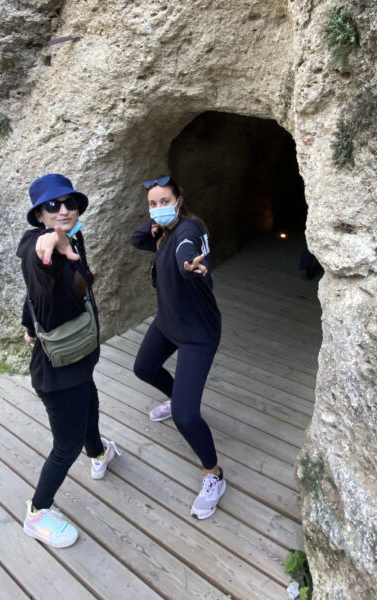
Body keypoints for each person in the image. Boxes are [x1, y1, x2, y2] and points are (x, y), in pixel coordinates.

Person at [17, 173, 120, 548]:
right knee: (65, 445)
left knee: (90, 403)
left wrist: (29, 324)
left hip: (79, 359)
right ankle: (38, 510)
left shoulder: (74, 239)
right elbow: (40, 267)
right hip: (58, 374)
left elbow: (34, 296)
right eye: (52, 206)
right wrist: (52, 246)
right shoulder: (40, 246)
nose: (63, 210)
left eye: (69, 203)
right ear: (39, 216)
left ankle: (98, 451)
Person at [130, 175, 225, 519]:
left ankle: (213, 474)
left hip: (199, 332)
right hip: (168, 322)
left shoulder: (189, 230)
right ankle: (175, 398)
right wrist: (154, 227)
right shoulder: (163, 232)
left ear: (179, 201)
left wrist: (190, 266)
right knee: (143, 368)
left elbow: (190, 253)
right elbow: (135, 238)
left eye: (164, 202)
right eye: (153, 204)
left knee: (187, 416)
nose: (159, 209)